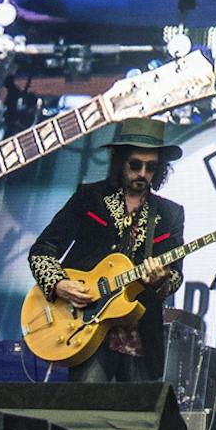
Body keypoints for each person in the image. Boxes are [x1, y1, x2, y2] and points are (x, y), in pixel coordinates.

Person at [25, 120, 185, 382]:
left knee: (139, 418)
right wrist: (59, 284)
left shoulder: (170, 214)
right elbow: (43, 250)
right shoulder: (90, 197)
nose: (142, 174)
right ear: (120, 162)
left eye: (151, 167)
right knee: (85, 409)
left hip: (141, 335)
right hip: (86, 328)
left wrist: (162, 280)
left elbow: (176, 274)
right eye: (135, 165)